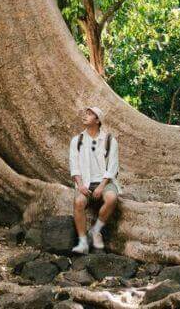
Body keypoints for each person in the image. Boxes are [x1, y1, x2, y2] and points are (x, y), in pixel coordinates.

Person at [68, 106, 121, 254]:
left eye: (90, 114)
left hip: (105, 182)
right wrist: (80, 185)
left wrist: (101, 186)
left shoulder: (110, 140)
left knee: (111, 198)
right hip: (85, 182)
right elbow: (74, 165)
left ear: (97, 120)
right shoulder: (77, 140)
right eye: (86, 113)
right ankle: (83, 242)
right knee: (79, 202)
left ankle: (96, 230)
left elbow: (113, 167)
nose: (85, 116)